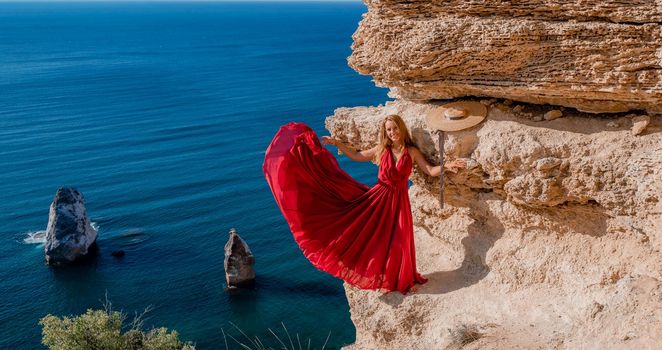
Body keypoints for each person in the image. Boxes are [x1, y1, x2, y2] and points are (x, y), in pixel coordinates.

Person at [263, 115, 465, 294]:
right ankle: (387, 277)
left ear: (401, 129)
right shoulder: (381, 149)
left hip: (399, 200)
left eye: (395, 128)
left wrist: (446, 165)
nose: (392, 132)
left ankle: (406, 278)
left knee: (401, 239)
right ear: (385, 132)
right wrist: (337, 143)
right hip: (378, 197)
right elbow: (356, 156)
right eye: (388, 129)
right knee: (377, 239)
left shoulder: (411, 152)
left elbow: (429, 170)